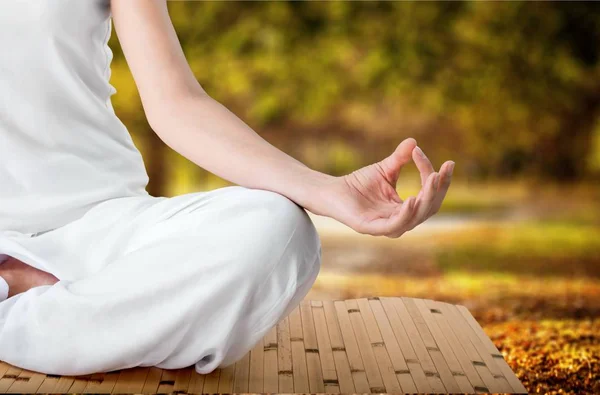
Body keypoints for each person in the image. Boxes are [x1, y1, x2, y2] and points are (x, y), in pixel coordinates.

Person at [0, 0, 454, 376]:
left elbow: (176, 102)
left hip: (102, 222)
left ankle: (27, 316)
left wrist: (329, 191)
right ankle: (81, 318)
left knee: (279, 231)